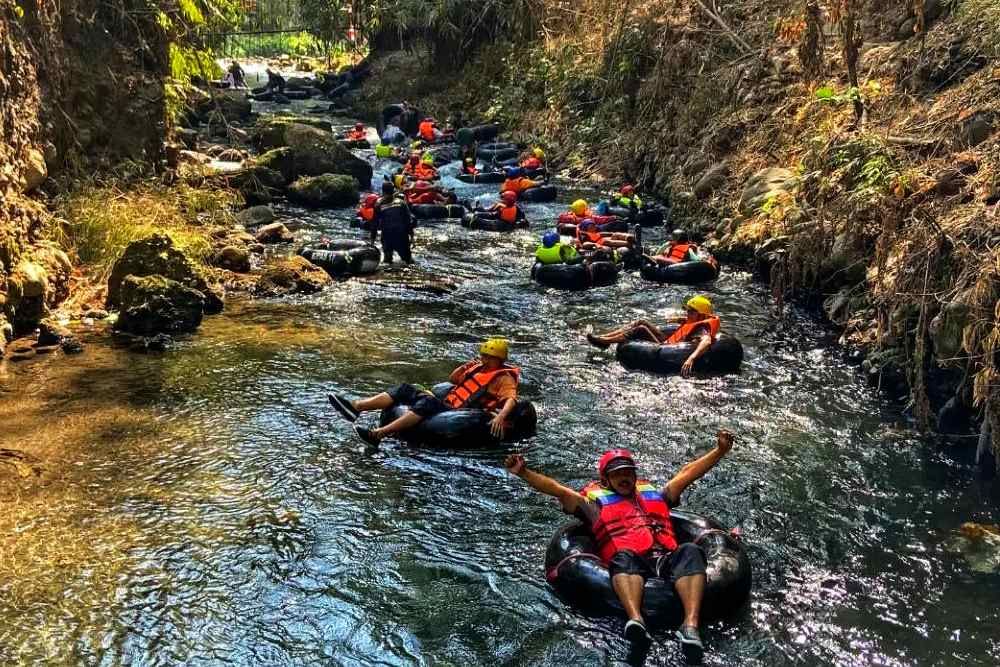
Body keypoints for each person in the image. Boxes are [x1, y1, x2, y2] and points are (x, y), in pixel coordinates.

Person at [503, 430, 735, 661]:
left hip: (666, 558)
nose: (625, 478)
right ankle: (636, 621)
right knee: (623, 557)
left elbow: (687, 473)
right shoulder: (591, 506)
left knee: (691, 551)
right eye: (617, 474)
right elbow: (556, 489)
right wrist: (524, 472)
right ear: (605, 480)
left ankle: (690, 626)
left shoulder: (656, 496)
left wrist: (720, 451)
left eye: (628, 473)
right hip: (630, 560)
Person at [328, 338, 521, 446]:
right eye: (483, 356)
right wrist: (466, 367)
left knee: (427, 403)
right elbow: (454, 380)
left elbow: (511, 399)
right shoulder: (478, 368)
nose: (485, 360)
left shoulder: (503, 377)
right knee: (404, 389)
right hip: (448, 403)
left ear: (500, 360)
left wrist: (499, 417)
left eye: (490, 358)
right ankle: (356, 407)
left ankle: (378, 435)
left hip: (462, 413)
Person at [586, 296, 720, 377]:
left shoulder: (702, 327)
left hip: (668, 348)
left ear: (702, 315)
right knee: (641, 321)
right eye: (687, 310)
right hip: (669, 341)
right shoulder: (695, 320)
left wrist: (691, 357)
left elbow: (706, 341)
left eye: (691, 311)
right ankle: (605, 339)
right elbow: (688, 323)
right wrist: (677, 319)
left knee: (641, 329)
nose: (688, 313)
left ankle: (606, 341)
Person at [371, 181, 416, 265]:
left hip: (387, 237)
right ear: (393, 191)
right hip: (401, 236)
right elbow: (408, 221)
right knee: (409, 262)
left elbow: (374, 224)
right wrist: (412, 237)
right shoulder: (401, 203)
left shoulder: (378, 204)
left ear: (383, 191)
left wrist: (372, 242)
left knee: (387, 262)